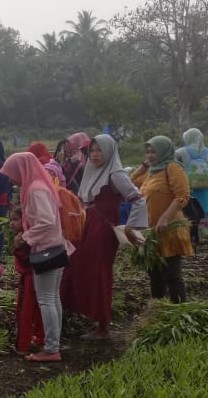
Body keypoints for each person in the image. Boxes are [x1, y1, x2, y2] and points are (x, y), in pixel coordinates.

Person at [60, 134, 147, 340]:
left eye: (100, 150)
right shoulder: (91, 170)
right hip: (86, 224)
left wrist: (131, 227)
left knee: (99, 271)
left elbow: (138, 199)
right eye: (92, 151)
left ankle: (103, 326)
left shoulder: (115, 174)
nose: (96, 155)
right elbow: (83, 200)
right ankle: (73, 312)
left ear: (109, 152)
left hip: (103, 229)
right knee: (75, 265)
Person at [0, 152, 73, 362]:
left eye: (11, 173)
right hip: (55, 247)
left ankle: (51, 349)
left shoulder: (35, 190)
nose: (10, 178)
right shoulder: (38, 186)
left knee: (46, 299)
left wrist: (25, 236)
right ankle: (54, 343)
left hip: (46, 249)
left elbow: (47, 221)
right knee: (53, 298)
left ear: (21, 170)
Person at [130, 136, 194, 303]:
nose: (150, 155)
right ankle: (157, 310)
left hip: (169, 228)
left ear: (164, 152)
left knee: (172, 274)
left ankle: (180, 312)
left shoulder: (173, 168)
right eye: (148, 152)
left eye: (154, 152)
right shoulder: (151, 172)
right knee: (155, 274)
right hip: (152, 232)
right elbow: (131, 182)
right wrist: (144, 165)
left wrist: (165, 218)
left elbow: (182, 196)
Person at [175, 128, 208, 244]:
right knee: (207, 209)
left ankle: (192, 235)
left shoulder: (180, 152)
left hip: (188, 187)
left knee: (189, 209)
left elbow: (174, 169)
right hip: (205, 189)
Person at [9, 204, 44, 353]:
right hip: (40, 273)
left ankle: (22, 345)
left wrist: (17, 247)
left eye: (15, 219)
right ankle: (41, 338)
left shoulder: (23, 237)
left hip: (28, 277)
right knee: (39, 308)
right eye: (10, 220)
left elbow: (25, 260)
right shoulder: (34, 233)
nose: (11, 223)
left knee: (24, 310)